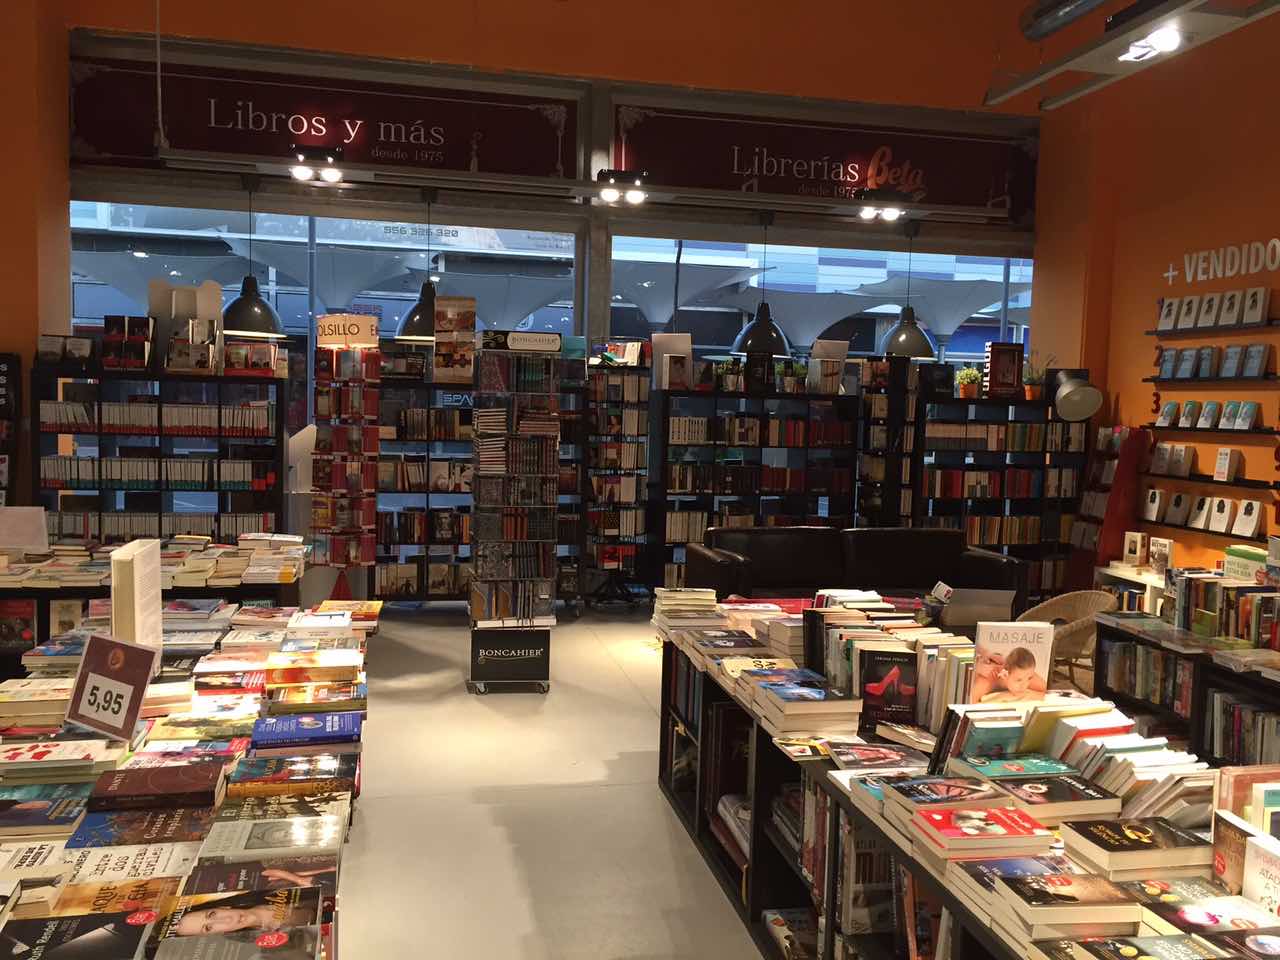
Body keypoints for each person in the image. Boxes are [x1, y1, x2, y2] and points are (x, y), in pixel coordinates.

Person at [969, 646, 1046, 702]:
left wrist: (1028, 694)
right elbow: (968, 706)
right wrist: (998, 698)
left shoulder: (1024, 673)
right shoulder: (986, 680)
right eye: (1018, 680)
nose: (1024, 686)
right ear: (1005, 675)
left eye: (1030, 678)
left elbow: (1048, 694)